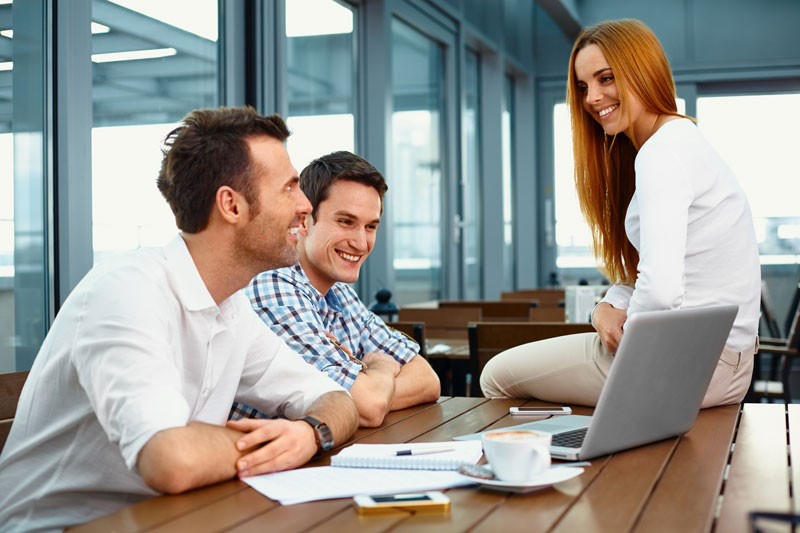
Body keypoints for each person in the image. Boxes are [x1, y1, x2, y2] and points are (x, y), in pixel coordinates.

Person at [0, 107, 359, 532]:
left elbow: (336, 398)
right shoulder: (126, 291)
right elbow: (173, 460)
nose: (305, 206)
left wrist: (309, 433)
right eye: (289, 188)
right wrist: (277, 441)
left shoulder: (231, 306)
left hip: (171, 518)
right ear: (231, 205)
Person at [480, 19, 760, 408]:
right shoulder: (679, 141)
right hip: (723, 364)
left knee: (495, 375)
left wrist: (627, 343)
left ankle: (569, 461)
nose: (592, 98)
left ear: (642, 71)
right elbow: (652, 276)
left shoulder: (661, 152)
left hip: (686, 365)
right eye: (582, 87)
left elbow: (661, 292)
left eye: (605, 78)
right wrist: (605, 306)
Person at [237, 151, 440, 427]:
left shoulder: (339, 293)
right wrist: (381, 369)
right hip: (249, 466)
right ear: (304, 221)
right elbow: (368, 407)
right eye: (346, 222)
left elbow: (427, 380)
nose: (360, 242)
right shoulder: (273, 285)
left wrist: (371, 390)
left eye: (370, 226)